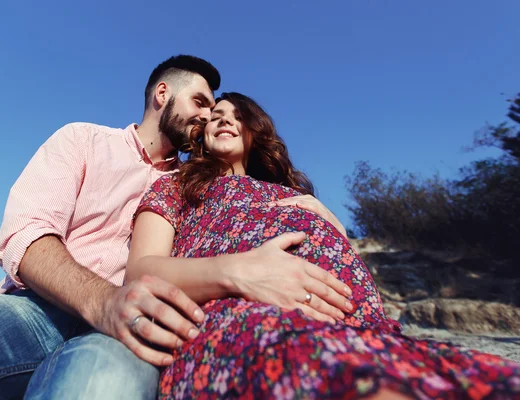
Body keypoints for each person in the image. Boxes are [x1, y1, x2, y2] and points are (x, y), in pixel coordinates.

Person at [0, 56, 352, 399]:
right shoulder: (83, 140)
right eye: (200, 102)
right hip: (34, 308)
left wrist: (312, 210)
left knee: (103, 388)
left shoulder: (195, 186)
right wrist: (103, 300)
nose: (208, 116)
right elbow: (27, 234)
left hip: (133, 332)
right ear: (163, 94)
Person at [127, 92, 520, 399]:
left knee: (477, 379)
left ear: (253, 132)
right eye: (215, 116)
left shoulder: (292, 193)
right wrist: (238, 271)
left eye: (237, 116)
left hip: (358, 325)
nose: (225, 119)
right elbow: (139, 273)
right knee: (342, 377)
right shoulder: (176, 187)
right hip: (239, 317)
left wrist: (329, 223)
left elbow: (344, 256)